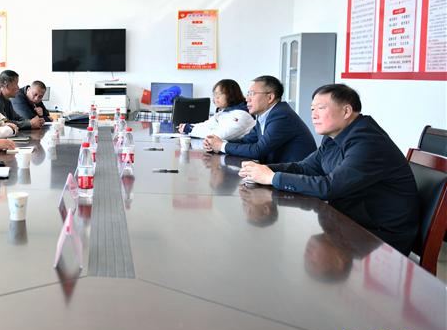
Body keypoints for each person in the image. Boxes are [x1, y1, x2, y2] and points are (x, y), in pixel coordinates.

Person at [238, 83, 419, 255]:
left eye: (321, 108)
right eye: (312, 109)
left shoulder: (368, 142)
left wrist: (272, 178)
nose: (314, 115)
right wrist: (262, 169)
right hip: (350, 222)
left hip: (380, 237)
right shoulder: (334, 137)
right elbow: (305, 168)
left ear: (346, 111)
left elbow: (330, 187)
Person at [203, 75, 316, 163]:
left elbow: (258, 151)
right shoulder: (264, 115)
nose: (247, 99)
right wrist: (217, 144)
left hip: (296, 177)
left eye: (252, 94)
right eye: (248, 94)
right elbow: (246, 141)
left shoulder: (281, 115)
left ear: (270, 97)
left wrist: (221, 146)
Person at [178, 79, 255, 140]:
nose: (216, 97)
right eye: (215, 94)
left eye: (219, 94)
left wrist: (191, 129)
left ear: (231, 95)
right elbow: (207, 125)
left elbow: (219, 136)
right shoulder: (224, 112)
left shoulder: (242, 115)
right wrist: (189, 126)